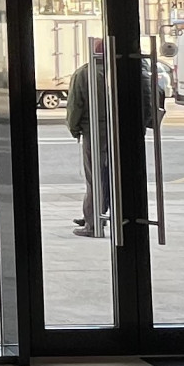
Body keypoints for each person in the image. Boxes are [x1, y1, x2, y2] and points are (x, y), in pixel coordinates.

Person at [65, 50, 110, 236]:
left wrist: (74, 128)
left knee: (95, 178)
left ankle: (92, 224)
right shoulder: (119, 70)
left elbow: (74, 105)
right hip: (120, 131)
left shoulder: (84, 73)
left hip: (94, 131)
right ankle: (100, 214)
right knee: (112, 176)